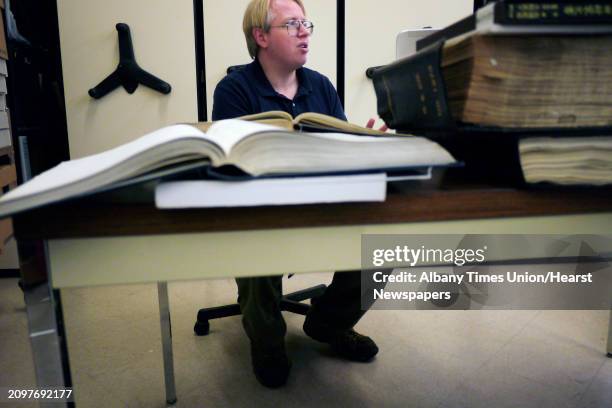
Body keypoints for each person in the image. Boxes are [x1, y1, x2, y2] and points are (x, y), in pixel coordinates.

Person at [212, 0, 381, 388]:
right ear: (261, 36)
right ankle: (268, 344)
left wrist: (367, 144)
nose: (304, 31)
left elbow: (340, 151)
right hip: (263, 212)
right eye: (292, 25)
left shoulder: (320, 85)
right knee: (255, 246)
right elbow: (234, 165)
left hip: (321, 206)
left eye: (306, 23)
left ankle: (327, 325)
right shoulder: (234, 90)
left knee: (381, 245)